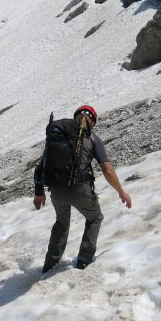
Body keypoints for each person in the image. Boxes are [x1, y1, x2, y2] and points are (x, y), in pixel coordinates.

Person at [33, 105, 132, 274]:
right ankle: (84, 260)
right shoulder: (92, 138)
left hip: (56, 190)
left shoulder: (57, 137)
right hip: (80, 189)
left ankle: (50, 264)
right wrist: (121, 192)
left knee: (61, 223)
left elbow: (41, 165)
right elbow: (107, 169)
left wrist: (39, 193)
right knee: (95, 218)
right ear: (92, 121)